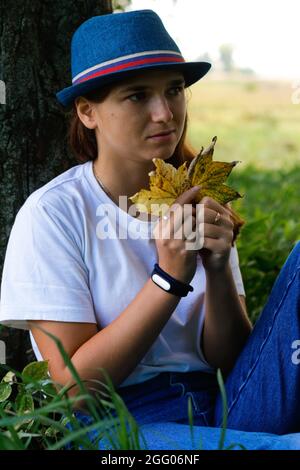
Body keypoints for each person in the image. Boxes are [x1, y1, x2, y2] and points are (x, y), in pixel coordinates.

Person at [0, 9, 299, 450]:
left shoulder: (195, 195)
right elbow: (74, 392)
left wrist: (216, 272)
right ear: (87, 112)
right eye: (137, 96)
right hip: (119, 422)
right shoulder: (55, 214)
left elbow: (230, 360)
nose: (165, 113)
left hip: (225, 400)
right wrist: (168, 280)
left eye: (174, 90)